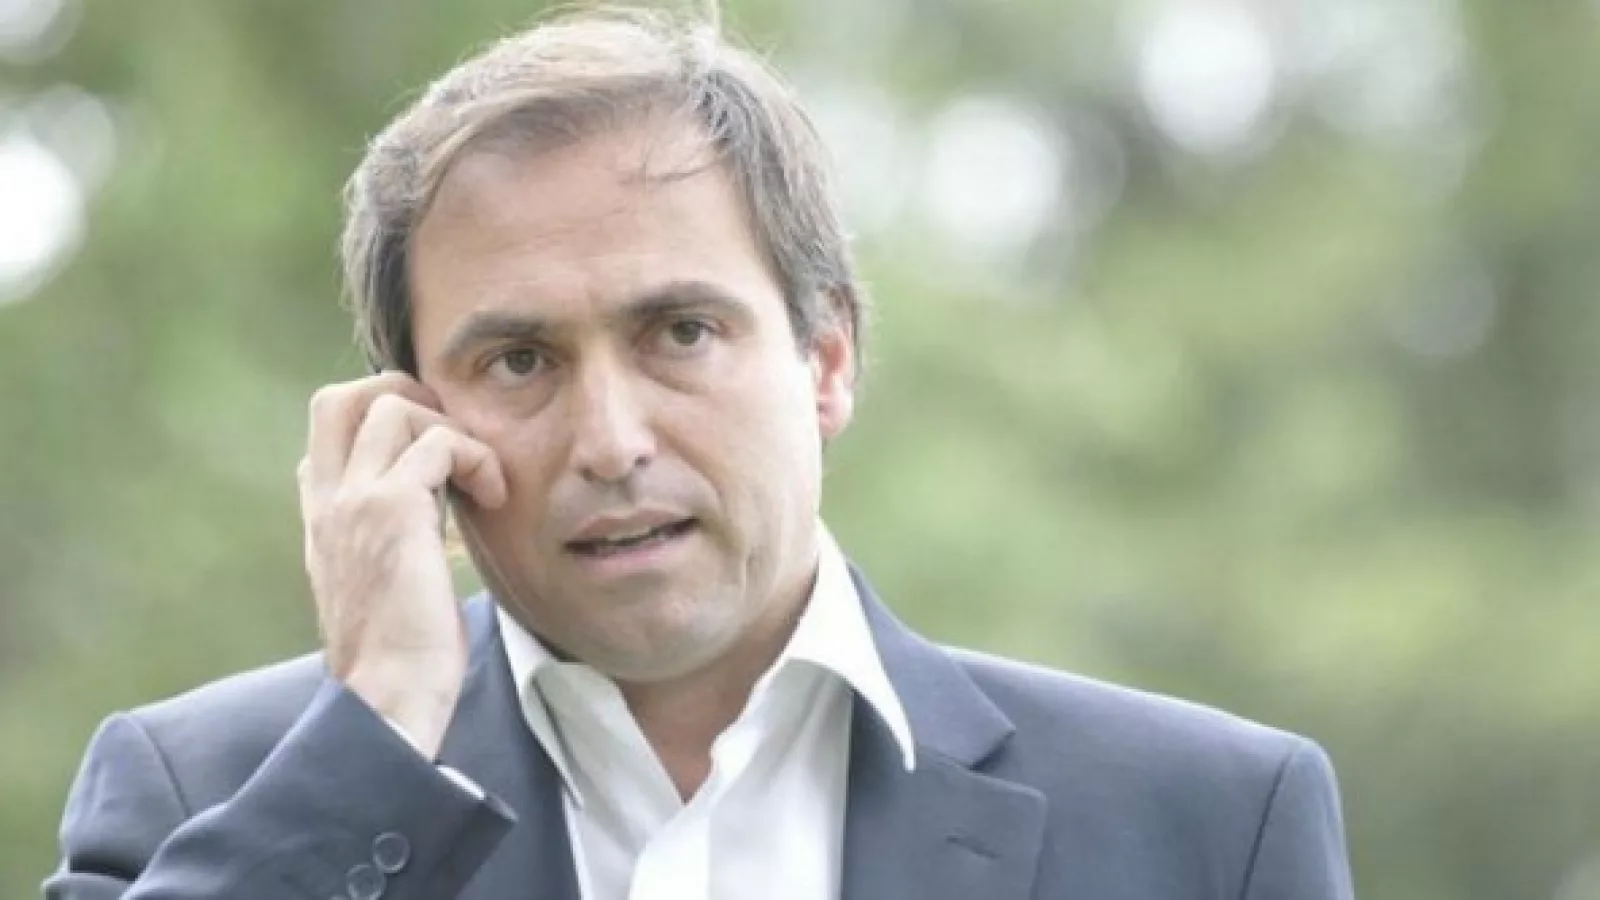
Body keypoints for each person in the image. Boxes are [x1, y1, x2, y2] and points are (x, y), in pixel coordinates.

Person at [43, 7, 1355, 900]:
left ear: (826, 360)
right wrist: (376, 738)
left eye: (680, 332)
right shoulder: (201, 797)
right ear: (413, 429)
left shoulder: (1210, 824)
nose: (611, 442)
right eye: (520, 361)